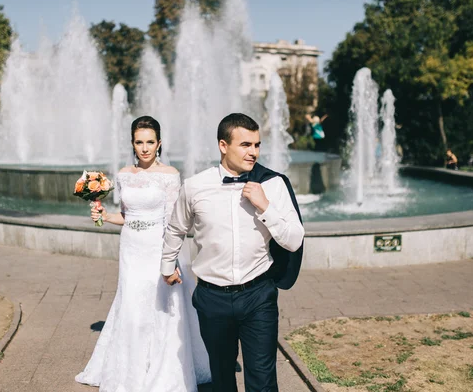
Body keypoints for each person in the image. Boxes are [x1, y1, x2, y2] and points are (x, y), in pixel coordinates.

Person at [161, 113, 305, 392]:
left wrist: (265, 207)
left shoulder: (272, 185)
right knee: (222, 377)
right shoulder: (195, 186)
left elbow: (294, 240)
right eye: (246, 145)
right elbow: (176, 228)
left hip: (258, 295)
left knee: (262, 381)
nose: (253, 152)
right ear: (223, 146)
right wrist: (168, 266)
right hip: (211, 297)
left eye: (257, 145)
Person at [75, 116, 210, 391]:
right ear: (133, 144)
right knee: (133, 307)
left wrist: (169, 260)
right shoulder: (124, 174)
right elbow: (126, 216)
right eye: (139, 142)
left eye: (150, 142)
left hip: (157, 247)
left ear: (159, 143)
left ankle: (162, 369)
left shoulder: (170, 175)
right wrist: (104, 215)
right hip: (131, 248)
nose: (145, 148)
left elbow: (173, 221)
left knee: (160, 306)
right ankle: (131, 369)